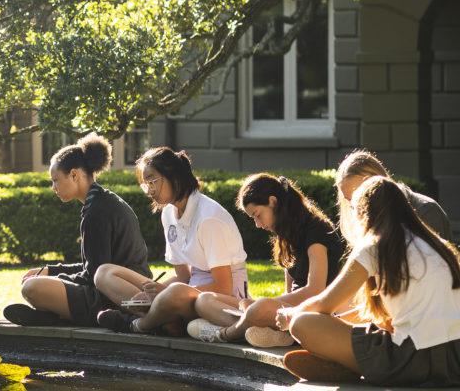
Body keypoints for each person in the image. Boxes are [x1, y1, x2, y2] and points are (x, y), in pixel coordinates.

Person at [276, 177, 460, 386]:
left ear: (363, 213)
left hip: (409, 360)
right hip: (455, 362)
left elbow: (325, 304)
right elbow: (386, 317)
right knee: (371, 327)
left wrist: (291, 314)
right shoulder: (441, 246)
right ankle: (347, 362)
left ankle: (347, 364)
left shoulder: (374, 246)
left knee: (303, 324)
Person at [93, 147, 248, 335]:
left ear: (174, 176)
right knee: (104, 273)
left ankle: (137, 325)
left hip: (219, 299)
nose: (149, 190)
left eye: (152, 181)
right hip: (188, 290)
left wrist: (164, 292)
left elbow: (223, 287)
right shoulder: (168, 213)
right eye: (145, 184)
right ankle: (164, 318)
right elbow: (183, 276)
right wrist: (153, 292)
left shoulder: (209, 218)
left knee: (175, 293)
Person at [3, 133, 151, 326]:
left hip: (116, 296)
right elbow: (95, 266)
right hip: (116, 290)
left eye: (55, 180)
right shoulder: (101, 202)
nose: (53, 187)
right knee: (39, 283)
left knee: (31, 288)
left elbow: (93, 276)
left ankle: (57, 317)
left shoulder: (97, 212)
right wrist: (51, 270)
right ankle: (54, 317)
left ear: (74, 175)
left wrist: (57, 277)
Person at [187, 173, 345, 347]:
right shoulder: (286, 233)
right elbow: (289, 289)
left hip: (313, 312)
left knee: (259, 309)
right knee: (205, 300)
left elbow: (315, 290)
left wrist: (265, 304)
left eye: (257, 215)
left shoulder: (317, 230)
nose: (258, 224)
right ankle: (264, 331)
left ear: (273, 201)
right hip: (285, 311)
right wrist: (265, 306)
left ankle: (224, 334)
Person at [335, 149, 451, 244]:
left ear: (378, 183)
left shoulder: (426, 211)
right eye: (349, 200)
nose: (354, 206)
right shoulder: (365, 222)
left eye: (358, 198)